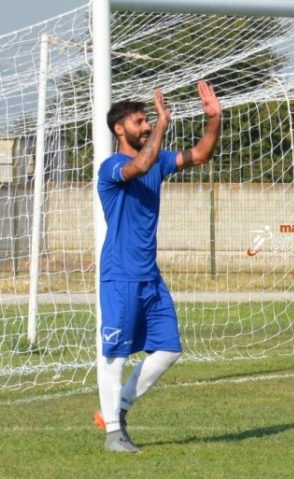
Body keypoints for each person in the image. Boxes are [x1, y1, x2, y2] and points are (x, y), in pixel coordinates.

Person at [93, 82, 221, 453]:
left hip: (150, 276)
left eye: (148, 120)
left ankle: (117, 408)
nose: (147, 126)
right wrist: (164, 122)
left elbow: (201, 153)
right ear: (120, 129)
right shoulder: (112, 167)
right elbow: (141, 164)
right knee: (115, 354)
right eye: (140, 122)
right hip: (120, 276)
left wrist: (214, 119)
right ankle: (114, 435)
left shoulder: (158, 160)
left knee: (168, 348)